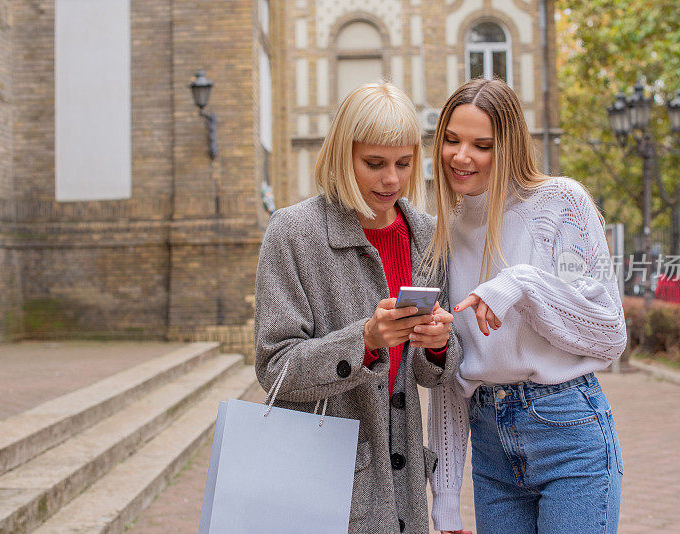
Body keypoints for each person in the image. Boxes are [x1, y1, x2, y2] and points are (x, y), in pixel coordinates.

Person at [254, 81, 461, 534]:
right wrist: (364, 342)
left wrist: (440, 345)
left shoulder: (427, 235)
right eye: (374, 163)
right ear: (342, 155)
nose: (392, 179)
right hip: (322, 480)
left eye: (404, 163)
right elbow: (275, 368)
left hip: (404, 487)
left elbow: (432, 374)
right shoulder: (293, 232)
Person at [425, 79, 628, 533]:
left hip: (567, 431)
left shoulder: (560, 203)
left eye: (482, 145)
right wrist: (445, 500)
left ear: (510, 146)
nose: (462, 156)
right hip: (490, 443)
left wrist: (522, 284)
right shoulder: (444, 231)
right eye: (452, 140)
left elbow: (610, 333)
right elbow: (451, 378)